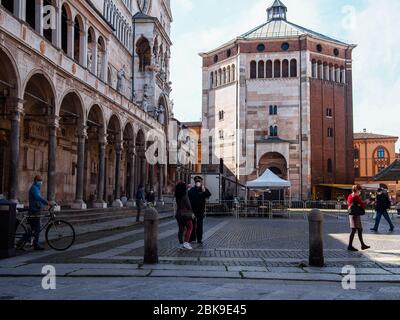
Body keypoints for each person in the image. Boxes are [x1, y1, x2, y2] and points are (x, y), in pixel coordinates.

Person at [28, 175, 49, 251]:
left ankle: (22, 242)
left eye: (41, 180)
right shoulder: (34, 188)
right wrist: (46, 202)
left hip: (36, 210)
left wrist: (43, 205)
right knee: (37, 228)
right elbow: (37, 197)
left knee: (33, 228)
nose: (40, 182)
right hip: (34, 211)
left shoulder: (37, 188)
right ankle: (36, 244)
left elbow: (38, 200)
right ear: (35, 180)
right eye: (39, 180)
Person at [188, 176, 211, 245]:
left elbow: (208, 195)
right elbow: (188, 199)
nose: (198, 183)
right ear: (195, 182)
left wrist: (204, 191)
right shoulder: (191, 190)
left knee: (200, 225)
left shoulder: (203, 189)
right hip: (193, 211)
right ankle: (192, 238)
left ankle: (199, 239)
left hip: (200, 211)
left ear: (201, 182)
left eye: (199, 182)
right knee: (192, 225)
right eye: (196, 182)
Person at [347, 185, 371, 252]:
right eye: (359, 190)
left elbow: (350, 204)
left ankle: (362, 245)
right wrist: (366, 202)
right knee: (354, 230)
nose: (360, 191)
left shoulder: (350, 195)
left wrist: (359, 204)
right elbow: (362, 204)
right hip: (355, 215)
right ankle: (350, 246)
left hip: (352, 214)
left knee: (358, 229)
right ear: (357, 190)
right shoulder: (356, 197)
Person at [175, 182, 194, 250]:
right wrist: (191, 211)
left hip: (178, 214)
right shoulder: (185, 195)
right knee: (190, 228)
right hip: (185, 214)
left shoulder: (177, 195)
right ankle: (186, 243)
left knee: (181, 230)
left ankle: (181, 244)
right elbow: (188, 205)